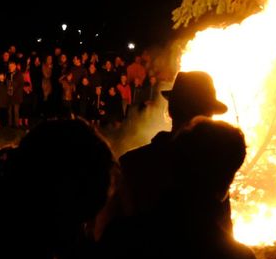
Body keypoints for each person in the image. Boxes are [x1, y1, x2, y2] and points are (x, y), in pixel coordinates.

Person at [96, 70, 228, 236]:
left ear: (171, 111)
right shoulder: (215, 170)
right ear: (207, 118)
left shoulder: (131, 163)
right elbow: (224, 232)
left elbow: (103, 231)